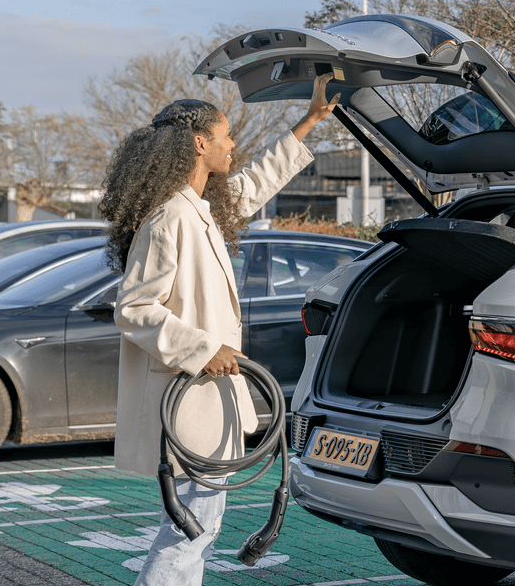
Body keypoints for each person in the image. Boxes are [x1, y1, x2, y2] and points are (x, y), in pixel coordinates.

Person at [102, 75, 340, 586]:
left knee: (195, 525)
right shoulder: (169, 219)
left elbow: (253, 183)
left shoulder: (197, 209)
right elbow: (134, 308)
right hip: (190, 399)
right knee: (192, 528)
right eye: (227, 135)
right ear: (199, 142)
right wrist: (202, 348)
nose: (234, 144)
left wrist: (312, 120)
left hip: (205, 401)